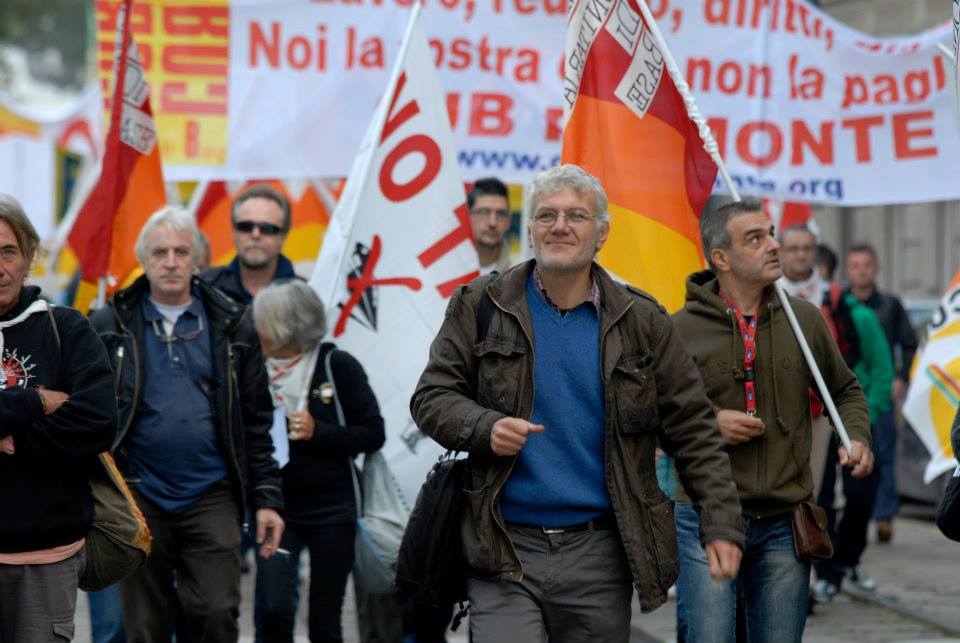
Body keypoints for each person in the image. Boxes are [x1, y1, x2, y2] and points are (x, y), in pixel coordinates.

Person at [411, 164, 745, 642]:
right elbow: (431, 397)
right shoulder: (480, 305)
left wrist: (720, 525)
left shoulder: (642, 320)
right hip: (502, 544)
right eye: (546, 215)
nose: (560, 226)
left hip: (601, 551)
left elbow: (693, 429)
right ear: (530, 230)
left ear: (602, 233)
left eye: (576, 216)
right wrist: (485, 426)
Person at [672, 199, 874, 642]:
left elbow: (844, 390)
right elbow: (651, 416)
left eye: (771, 233)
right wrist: (710, 422)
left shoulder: (805, 320)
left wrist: (854, 436)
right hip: (705, 519)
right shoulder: (679, 329)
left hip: (786, 522)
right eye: (756, 238)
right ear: (720, 258)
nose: (774, 246)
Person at [90, 206, 285, 643]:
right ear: (144, 259)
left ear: (198, 256)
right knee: (144, 628)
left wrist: (267, 498)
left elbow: (257, 422)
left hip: (212, 494)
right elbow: (90, 419)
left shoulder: (234, 325)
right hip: (138, 496)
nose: (172, 261)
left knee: (216, 614)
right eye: (161, 252)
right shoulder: (108, 325)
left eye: (182, 251)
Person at [0, 195, 118, 641]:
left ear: (28, 257)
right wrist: (34, 403)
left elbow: (98, 421)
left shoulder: (67, 329)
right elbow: (57, 414)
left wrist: (15, 442)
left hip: (46, 556)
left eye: (8, 251)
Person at [251, 280, 385, 643]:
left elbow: (373, 433)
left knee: (325, 621)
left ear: (283, 325)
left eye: (262, 319)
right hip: (277, 509)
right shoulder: (252, 367)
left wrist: (319, 431)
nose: (254, 327)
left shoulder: (336, 364)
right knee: (273, 608)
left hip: (332, 511)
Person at [779, 229, 894, 600]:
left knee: (819, 496)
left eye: (806, 248)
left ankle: (817, 575)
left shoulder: (834, 299)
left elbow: (861, 362)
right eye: (792, 248)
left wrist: (862, 414)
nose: (800, 255)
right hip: (777, 414)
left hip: (821, 414)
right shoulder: (769, 292)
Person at [845, 243, 918, 543]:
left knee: (885, 454)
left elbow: (910, 344)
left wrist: (901, 377)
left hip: (883, 391)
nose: (861, 270)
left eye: (866, 264)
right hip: (849, 393)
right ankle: (856, 514)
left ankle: (884, 515)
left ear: (875, 268)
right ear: (848, 270)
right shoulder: (840, 304)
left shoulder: (890, 305)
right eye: (855, 265)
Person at [202, 183, 299, 304]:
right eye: (245, 226)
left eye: (267, 228)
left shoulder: (305, 298)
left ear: (283, 236)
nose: (255, 235)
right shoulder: (203, 289)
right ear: (233, 232)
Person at [468, 177, 514, 275]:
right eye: (484, 212)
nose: (492, 222)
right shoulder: (447, 267)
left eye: (500, 214)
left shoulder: (522, 274)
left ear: (509, 220)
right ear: (467, 216)